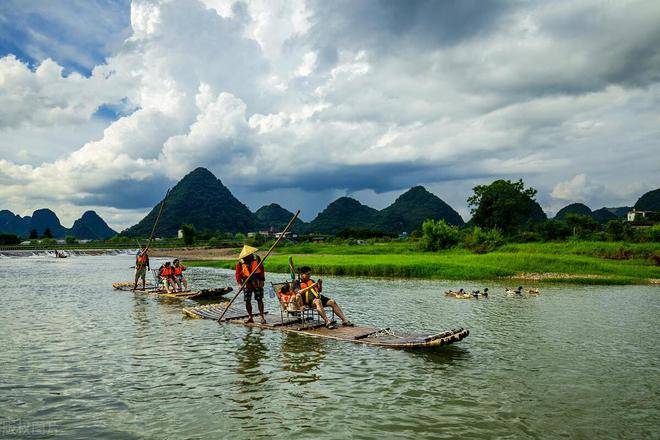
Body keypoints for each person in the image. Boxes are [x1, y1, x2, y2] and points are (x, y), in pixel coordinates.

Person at [235, 245, 266, 324]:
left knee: (259, 299)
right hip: (247, 283)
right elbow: (238, 274)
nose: (246, 257)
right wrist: (239, 283)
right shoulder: (240, 262)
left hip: (257, 282)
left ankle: (262, 316)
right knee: (247, 300)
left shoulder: (256, 258)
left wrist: (262, 280)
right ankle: (250, 317)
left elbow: (262, 269)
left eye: (247, 255)